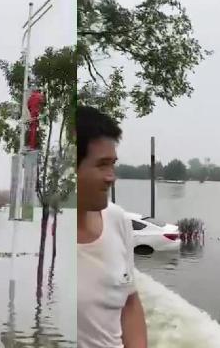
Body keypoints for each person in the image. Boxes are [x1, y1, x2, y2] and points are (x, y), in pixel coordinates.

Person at [77, 105, 147, 348]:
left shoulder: (117, 219)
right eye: (102, 165)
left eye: (113, 164)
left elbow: (129, 303)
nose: (111, 177)